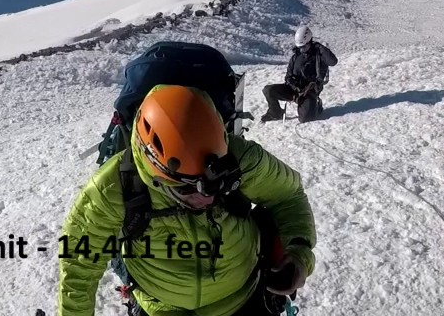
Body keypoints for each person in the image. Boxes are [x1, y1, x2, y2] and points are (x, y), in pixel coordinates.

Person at [59, 84, 317, 316]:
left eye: (215, 185)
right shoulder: (113, 187)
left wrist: (299, 252)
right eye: (187, 188)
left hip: (246, 295)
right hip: (163, 308)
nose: (206, 197)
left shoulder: (240, 159)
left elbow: (288, 195)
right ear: (157, 171)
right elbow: (79, 266)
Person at [260, 26, 338, 123]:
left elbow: (333, 61)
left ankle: (316, 106)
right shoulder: (296, 56)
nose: (302, 50)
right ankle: (275, 112)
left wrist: (321, 48)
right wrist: (293, 83)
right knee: (268, 90)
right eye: (299, 47)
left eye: (304, 47)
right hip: (294, 90)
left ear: (310, 42)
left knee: (305, 119)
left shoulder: (318, 55)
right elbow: (288, 76)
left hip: (309, 92)